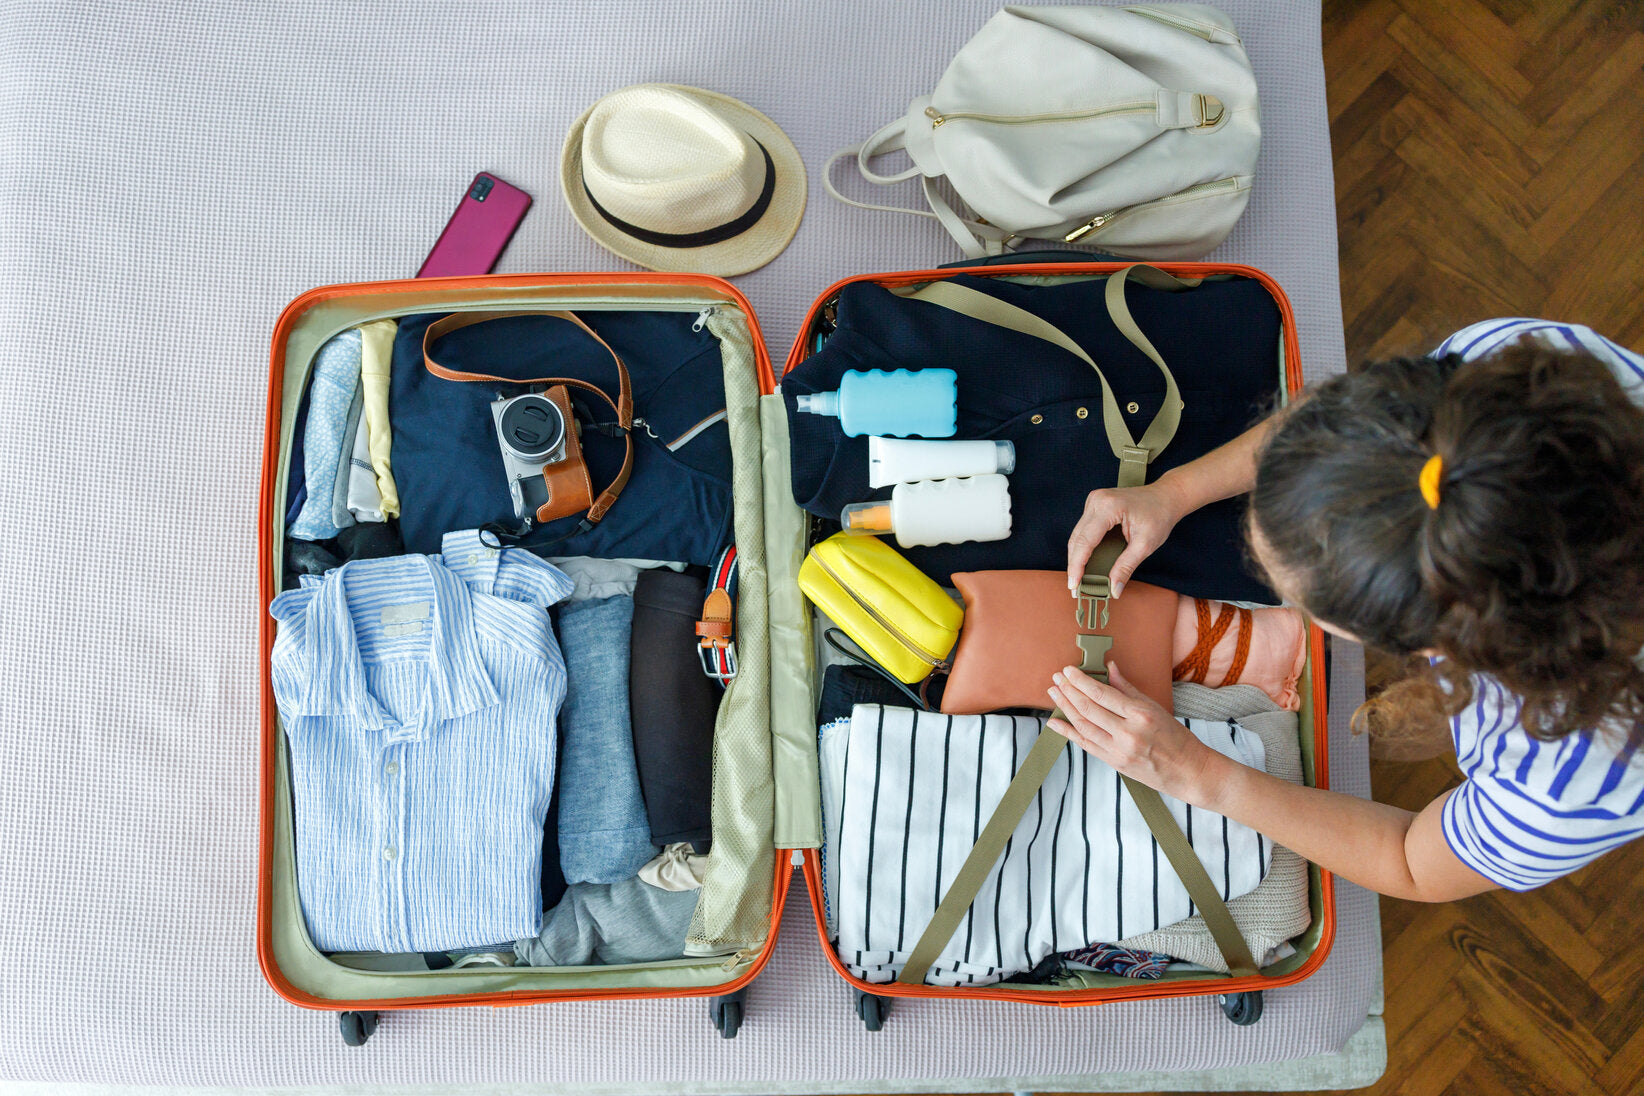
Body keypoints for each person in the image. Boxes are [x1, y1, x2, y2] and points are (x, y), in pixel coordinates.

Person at [1051, 320, 1644, 901]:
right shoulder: (1503, 373)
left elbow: (1414, 862)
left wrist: (1200, 775)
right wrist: (1174, 492)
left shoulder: (1575, 780)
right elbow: (1342, 438)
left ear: (1423, 642)